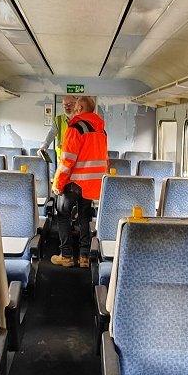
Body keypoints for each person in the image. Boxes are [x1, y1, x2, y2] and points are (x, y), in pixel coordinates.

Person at [51, 96, 108, 268]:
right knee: (85, 217)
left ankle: (66, 256)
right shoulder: (101, 130)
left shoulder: (76, 127)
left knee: (63, 214)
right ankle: (84, 257)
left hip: (73, 181)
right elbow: (105, 158)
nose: (74, 110)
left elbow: (67, 160)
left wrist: (58, 183)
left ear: (81, 108)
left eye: (76, 107)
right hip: (91, 183)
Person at [41, 95, 77, 160]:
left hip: (77, 158)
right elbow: (51, 133)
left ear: (76, 104)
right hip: (62, 158)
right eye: (64, 105)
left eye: (69, 104)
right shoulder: (58, 120)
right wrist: (44, 146)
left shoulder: (82, 119)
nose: (67, 107)